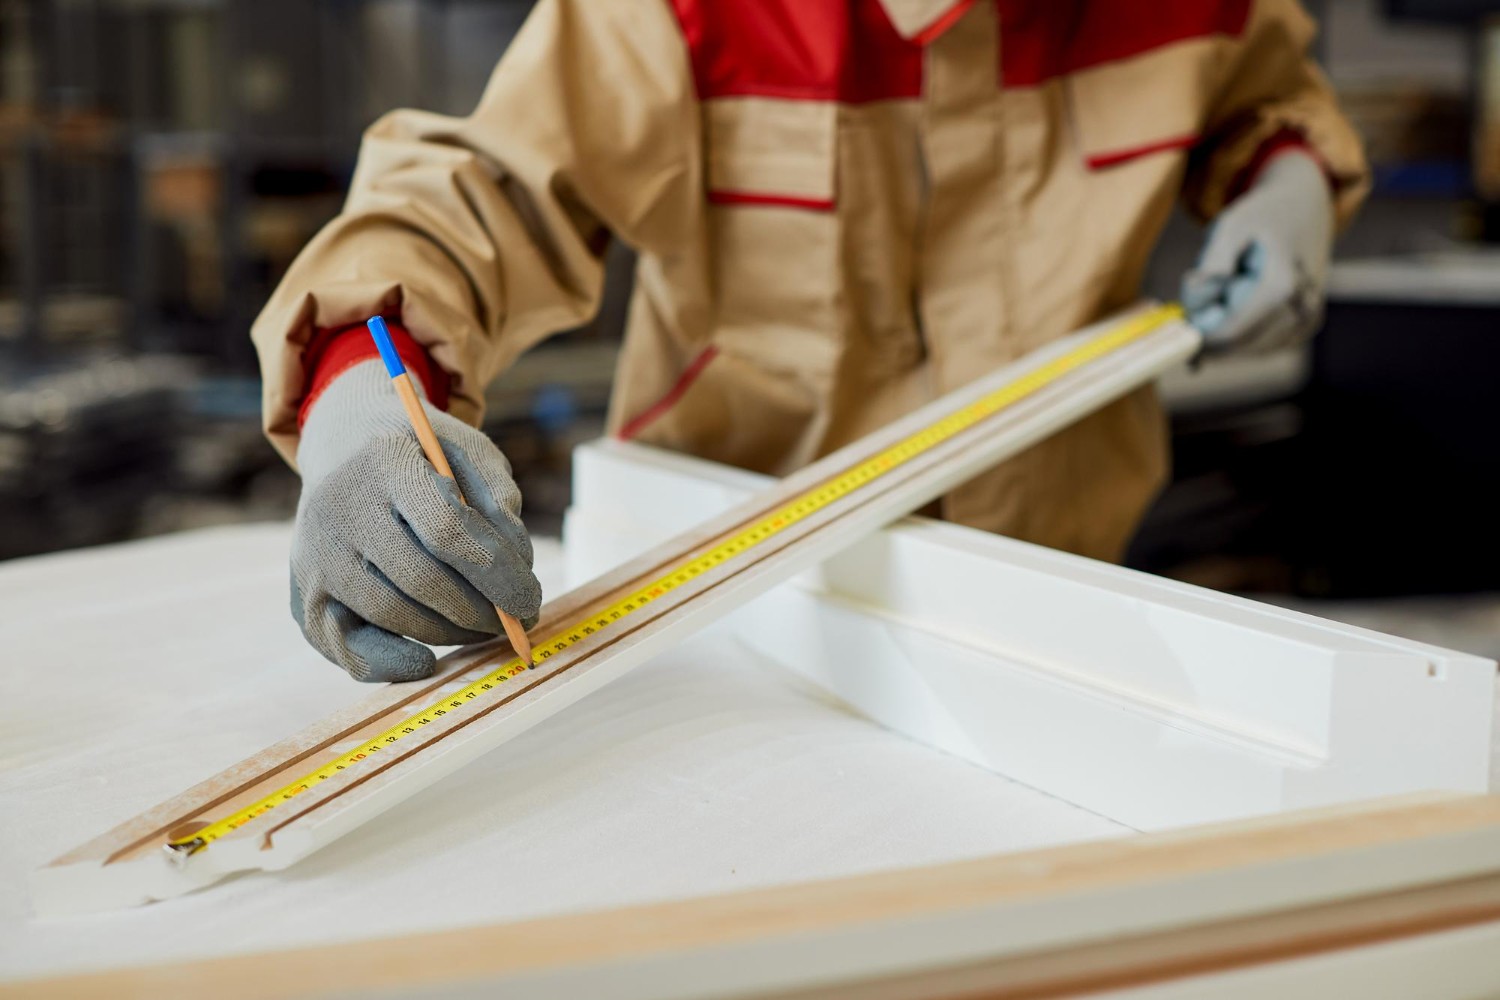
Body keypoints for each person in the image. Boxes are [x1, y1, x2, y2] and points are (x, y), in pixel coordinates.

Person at [254, 0, 1369, 682]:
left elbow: (1264, 91)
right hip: (729, 619)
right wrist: (359, 380)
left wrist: (1287, 176)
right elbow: (478, 193)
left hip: (1054, 599)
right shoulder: (674, 9)